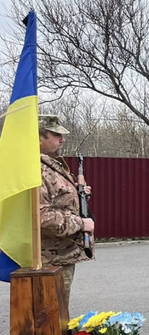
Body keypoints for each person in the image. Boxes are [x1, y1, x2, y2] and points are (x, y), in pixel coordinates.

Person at [38, 115, 94, 310]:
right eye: (56, 135)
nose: (62, 139)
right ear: (39, 138)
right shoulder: (36, 170)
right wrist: (81, 223)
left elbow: (56, 200)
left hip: (59, 257)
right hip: (48, 261)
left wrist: (77, 195)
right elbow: (41, 216)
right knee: (51, 315)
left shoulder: (50, 165)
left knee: (57, 313)